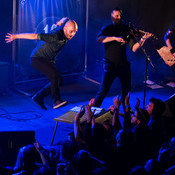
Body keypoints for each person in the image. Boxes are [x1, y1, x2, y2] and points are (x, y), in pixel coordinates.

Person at [5, 17, 78, 110]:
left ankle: (39, 96)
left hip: (48, 60)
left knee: (59, 80)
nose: (72, 34)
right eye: (71, 31)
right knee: (54, 76)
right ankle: (56, 101)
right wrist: (15, 36)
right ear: (65, 29)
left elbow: (66, 19)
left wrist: (61, 21)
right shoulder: (54, 36)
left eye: (75, 31)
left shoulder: (65, 29)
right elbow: (34, 35)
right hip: (37, 58)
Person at [93, 7, 152, 108]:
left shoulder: (126, 30)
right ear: (112, 17)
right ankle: (93, 111)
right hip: (110, 65)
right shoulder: (107, 28)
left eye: (120, 16)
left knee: (126, 90)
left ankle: (126, 111)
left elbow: (134, 48)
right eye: (116, 16)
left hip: (123, 65)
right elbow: (99, 39)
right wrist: (115, 38)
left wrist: (143, 39)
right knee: (103, 90)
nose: (119, 18)